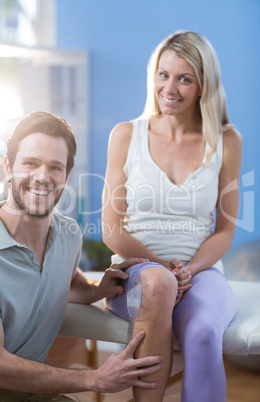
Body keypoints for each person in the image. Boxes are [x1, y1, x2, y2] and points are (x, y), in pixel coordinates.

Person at [102, 31, 242, 402]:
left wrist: (189, 271)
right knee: (159, 284)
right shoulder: (126, 135)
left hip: (200, 273)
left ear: (202, 85)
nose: (170, 87)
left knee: (202, 333)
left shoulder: (226, 141)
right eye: (163, 74)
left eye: (184, 78)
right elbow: (112, 230)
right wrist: (165, 269)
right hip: (136, 274)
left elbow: (225, 230)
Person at [0, 111, 164, 402]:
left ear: (66, 176)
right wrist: (95, 378)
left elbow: (66, 281)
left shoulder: (68, 234)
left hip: (32, 392)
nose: (42, 177)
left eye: (55, 167)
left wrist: (99, 289)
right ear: (8, 167)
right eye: (31, 163)